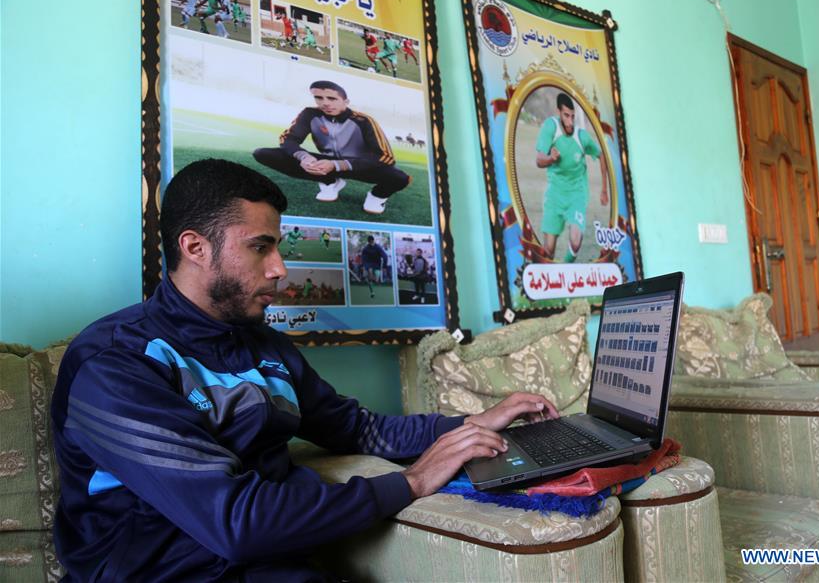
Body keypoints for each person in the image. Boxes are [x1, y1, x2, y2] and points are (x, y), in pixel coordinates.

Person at [51, 159, 558, 581]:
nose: (279, 269)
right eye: (259, 247)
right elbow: (236, 522)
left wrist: (471, 426)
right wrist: (414, 482)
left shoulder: (265, 345)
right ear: (194, 247)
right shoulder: (114, 363)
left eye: (277, 247)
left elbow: (357, 428)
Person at [253, 80, 410, 215]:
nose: (325, 103)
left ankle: (377, 196)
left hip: (360, 166)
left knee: (400, 178)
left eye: (332, 98)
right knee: (263, 154)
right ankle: (329, 181)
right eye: (318, 98)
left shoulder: (363, 120)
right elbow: (288, 139)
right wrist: (304, 157)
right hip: (327, 164)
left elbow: (384, 156)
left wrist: (338, 164)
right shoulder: (309, 114)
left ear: (345, 101)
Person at [535, 92, 605, 262]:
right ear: (558, 113)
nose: (570, 121)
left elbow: (600, 154)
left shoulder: (581, 137)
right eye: (566, 116)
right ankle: (552, 280)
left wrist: (604, 189)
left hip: (576, 194)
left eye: (573, 116)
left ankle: (565, 268)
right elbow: (539, 160)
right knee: (548, 250)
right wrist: (551, 158)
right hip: (555, 194)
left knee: (575, 242)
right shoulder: (550, 127)